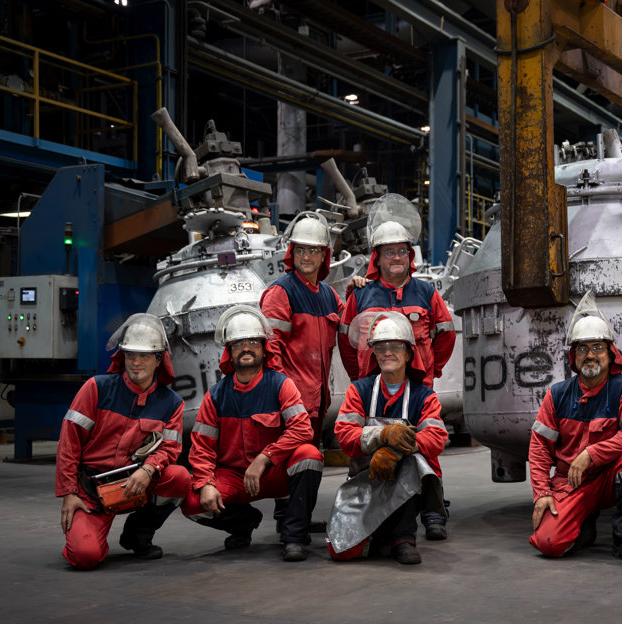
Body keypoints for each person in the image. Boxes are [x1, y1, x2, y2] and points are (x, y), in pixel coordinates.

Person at [338, 194, 455, 541]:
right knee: (365, 452)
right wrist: (361, 377)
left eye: (402, 251)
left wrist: (427, 370)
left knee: (425, 447)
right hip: (371, 390)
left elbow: (445, 336)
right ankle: (370, 509)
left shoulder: (427, 293)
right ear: (377, 257)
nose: (396, 257)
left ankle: (433, 511)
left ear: (410, 255)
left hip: (416, 386)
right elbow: (347, 342)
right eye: (388, 252)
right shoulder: (361, 295)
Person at [183, 305, 324, 562]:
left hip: (273, 472)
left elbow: (302, 428)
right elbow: (202, 448)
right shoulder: (215, 396)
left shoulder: (281, 385)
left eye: (252, 341)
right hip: (234, 478)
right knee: (193, 503)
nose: (246, 348)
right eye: (238, 343)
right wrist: (205, 483)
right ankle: (243, 523)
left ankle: (294, 536)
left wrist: (265, 457)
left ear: (263, 347)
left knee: (309, 455)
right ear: (230, 351)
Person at [55, 314, 190, 570]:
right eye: (130, 355)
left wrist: (148, 469)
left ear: (159, 359)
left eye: (144, 356)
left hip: (136, 483)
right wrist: (69, 493)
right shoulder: (96, 388)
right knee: (85, 557)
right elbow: (69, 442)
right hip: (92, 489)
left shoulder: (171, 403)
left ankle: (138, 533)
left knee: (180, 478)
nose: (136, 362)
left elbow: (170, 449)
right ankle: (94, 532)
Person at [528, 293, 622, 564]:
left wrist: (592, 454)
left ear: (610, 353)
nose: (590, 355)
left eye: (597, 347)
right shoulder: (557, 394)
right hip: (570, 483)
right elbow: (539, 447)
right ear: (574, 356)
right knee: (548, 544)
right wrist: (541, 493)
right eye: (582, 349)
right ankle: (583, 527)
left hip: (608, 478)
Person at [329, 313, 449, 564]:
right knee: (342, 550)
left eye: (395, 347)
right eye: (381, 348)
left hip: (408, 482)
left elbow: (436, 437)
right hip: (365, 477)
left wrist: (395, 451)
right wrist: (383, 435)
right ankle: (383, 536)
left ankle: (404, 539)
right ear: (373, 353)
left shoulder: (424, 396)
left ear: (408, 353)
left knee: (410, 462)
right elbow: (344, 435)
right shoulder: (359, 391)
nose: (387, 353)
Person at [260, 212, 342, 534]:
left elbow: (348, 323)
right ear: (291, 253)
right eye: (301, 250)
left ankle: (298, 519)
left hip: (318, 398)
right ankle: (290, 522)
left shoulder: (328, 295)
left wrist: (361, 287)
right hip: (292, 398)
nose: (307, 257)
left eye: (314, 251)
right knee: (295, 458)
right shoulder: (281, 293)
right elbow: (271, 349)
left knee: (310, 458)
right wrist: (285, 394)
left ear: (324, 255)